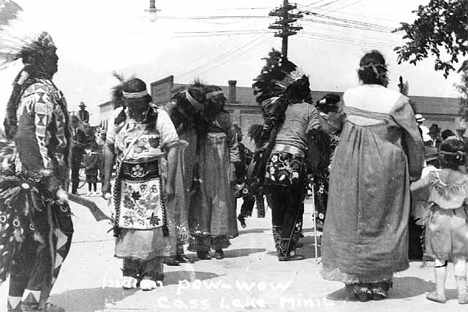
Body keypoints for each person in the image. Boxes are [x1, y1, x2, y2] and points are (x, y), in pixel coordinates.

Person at [321, 50, 424, 301]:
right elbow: (414, 139)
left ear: (360, 72)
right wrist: (415, 171)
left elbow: (336, 125)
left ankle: (356, 283)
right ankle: (378, 282)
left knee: (350, 220)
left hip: (349, 165)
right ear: (384, 72)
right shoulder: (398, 100)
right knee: (384, 219)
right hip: (385, 167)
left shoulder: (348, 96)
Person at [0, 31, 73, 312]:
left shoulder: (31, 88)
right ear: (42, 59)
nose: (58, 61)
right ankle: (32, 307)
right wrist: (51, 182)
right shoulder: (41, 93)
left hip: (30, 182)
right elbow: (32, 140)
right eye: (53, 56)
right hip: (39, 185)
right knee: (54, 238)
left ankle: (19, 306)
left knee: (30, 244)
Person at [102, 77, 179, 291]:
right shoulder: (117, 116)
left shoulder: (159, 116)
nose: (135, 106)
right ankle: (130, 270)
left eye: (139, 101)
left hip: (153, 178)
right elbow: (109, 147)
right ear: (125, 100)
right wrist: (105, 181)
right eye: (130, 102)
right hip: (126, 181)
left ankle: (152, 272)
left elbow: (173, 146)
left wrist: (170, 182)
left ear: (146, 98)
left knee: (152, 226)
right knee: (128, 226)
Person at [251, 50, 320, 261]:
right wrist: (314, 165)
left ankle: (280, 246)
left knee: (278, 204)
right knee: (293, 204)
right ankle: (287, 249)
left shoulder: (282, 109)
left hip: (274, 160)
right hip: (294, 161)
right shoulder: (310, 110)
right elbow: (313, 137)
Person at [410, 138, 468, 304]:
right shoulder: (465, 179)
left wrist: (428, 197)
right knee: (460, 257)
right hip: (459, 217)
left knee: (440, 258)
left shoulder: (433, 175)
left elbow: (413, 189)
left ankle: (440, 292)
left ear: (441, 157)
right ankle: (463, 293)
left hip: (438, 218)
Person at [188, 83, 240, 260]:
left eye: (221, 101)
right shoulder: (198, 117)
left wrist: (233, 165)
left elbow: (233, 142)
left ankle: (218, 246)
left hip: (222, 165)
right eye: (215, 101)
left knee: (221, 201)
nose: (219, 104)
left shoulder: (225, 118)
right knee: (202, 201)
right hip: (202, 163)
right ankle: (202, 246)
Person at [163, 86, 206, 265]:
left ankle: (179, 249)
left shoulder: (193, 116)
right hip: (172, 161)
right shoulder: (169, 111)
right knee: (172, 204)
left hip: (187, 162)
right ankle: (168, 251)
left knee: (183, 204)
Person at [307, 94, 342, 230]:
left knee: (322, 194)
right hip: (334, 164)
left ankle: (323, 222)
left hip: (325, 164)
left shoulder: (317, 120)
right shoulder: (340, 120)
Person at [233, 124, 256, 229]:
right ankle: (230, 225)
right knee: (229, 204)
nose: (241, 135)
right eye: (239, 132)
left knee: (250, 197)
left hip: (242, 179)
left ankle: (242, 216)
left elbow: (251, 157)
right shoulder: (227, 147)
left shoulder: (242, 148)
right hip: (230, 179)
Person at [70, 115, 87, 194]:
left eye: (75, 123)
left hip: (77, 156)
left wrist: (79, 144)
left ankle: (74, 190)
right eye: (72, 123)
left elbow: (85, 144)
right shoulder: (67, 132)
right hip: (68, 156)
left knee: (75, 174)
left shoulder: (81, 132)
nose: (74, 125)